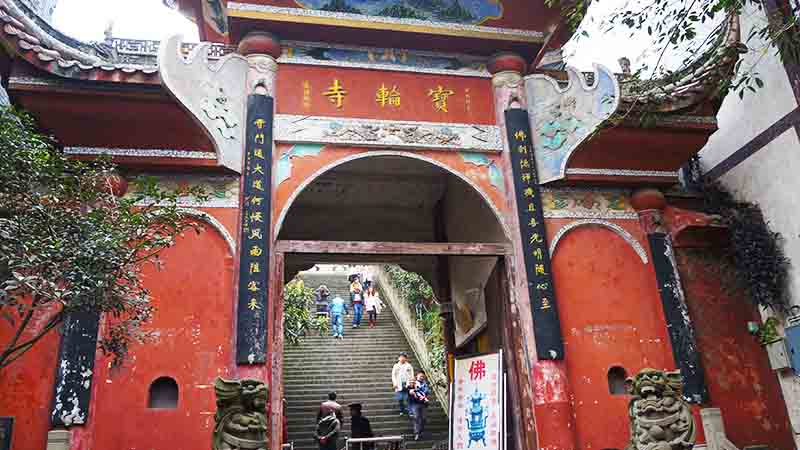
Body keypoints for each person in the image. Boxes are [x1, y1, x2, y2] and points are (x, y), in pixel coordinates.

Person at [408, 371, 431, 441]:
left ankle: (420, 430)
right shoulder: (413, 383)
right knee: (416, 417)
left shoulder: (425, 384)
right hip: (415, 403)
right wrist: (410, 391)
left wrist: (425, 394)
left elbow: (427, 392)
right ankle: (417, 433)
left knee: (424, 418)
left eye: (423, 376)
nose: (421, 377)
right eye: (420, 376)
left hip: (423, 403)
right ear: (417, 376)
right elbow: (408, 389)